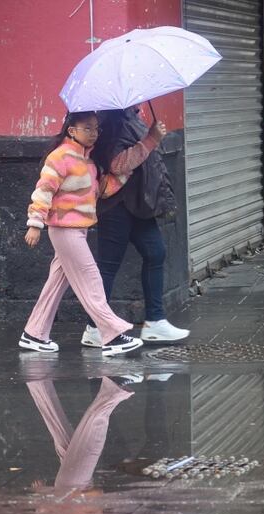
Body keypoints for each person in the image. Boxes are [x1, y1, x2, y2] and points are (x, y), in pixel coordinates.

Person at [19, 111, 165, 357]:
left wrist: (126, 173)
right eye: (87, 128)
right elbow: (44, 190)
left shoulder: (88, 161)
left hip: (78, 230)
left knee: (56, 284)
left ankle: (34, 333)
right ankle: (112, 335)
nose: (94, 133)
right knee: (91, 279)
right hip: (65, 230)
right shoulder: (60, 157)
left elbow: (103, 190)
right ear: (71, 131)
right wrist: (35, 223)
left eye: (96, 128)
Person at [81, 106, 190, 348]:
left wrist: (153, 137)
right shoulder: (112, 121)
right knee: (108, 266)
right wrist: (151, 139)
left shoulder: (131, 116)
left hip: (140, 202)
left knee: (155, 253)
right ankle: (94, 327)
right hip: (117, 205)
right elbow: (117, 164)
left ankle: (155, 322)